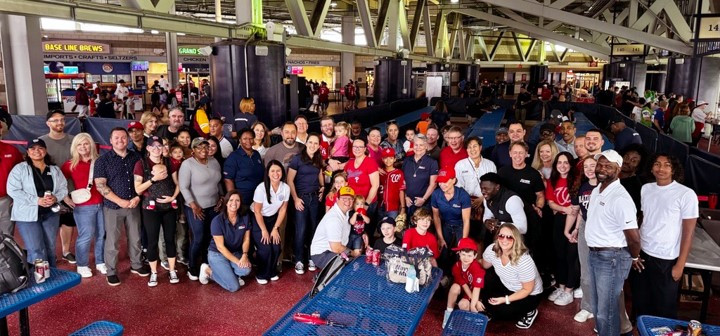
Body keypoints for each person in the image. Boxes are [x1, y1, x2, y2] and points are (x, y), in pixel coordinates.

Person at [632, 154, 698, 319]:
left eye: (667, 165)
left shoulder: (686, 194)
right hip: (643, 255)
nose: (661, 168)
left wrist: (680, 265)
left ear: (674, 169)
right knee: (641, 303)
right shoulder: (646, 188)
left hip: (667, 260)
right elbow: (643, 220)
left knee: (663, 309)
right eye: (657, 164)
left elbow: (688, 233)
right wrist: (635, 253)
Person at [585, 150, 641, 336]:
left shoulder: (620, 198)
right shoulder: (596, 190)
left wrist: (634, 256)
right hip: (595, 254)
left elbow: (633, 237)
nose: (601, 169)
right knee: (599, 308)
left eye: (608, 166)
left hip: (611, 258)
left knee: (606, 312)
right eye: (599, 165)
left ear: (618, 170)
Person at [94, 128, 150, 286]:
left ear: (128, 139)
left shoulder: (137, 157)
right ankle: (111, 271)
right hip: (113, 206)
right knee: (112, 240)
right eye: (116, 138)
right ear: (110, 140)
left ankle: (137, 264)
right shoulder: (102, 161)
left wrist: (138, 197)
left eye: (124, 137)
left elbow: (144, 179)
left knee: (136, 237)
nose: (120, 140)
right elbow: (100, 186)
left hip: (134, 204)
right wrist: (120, 201)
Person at [7, 138, 68, 268]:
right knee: (36, 249)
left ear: (45, 151)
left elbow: (63, 188)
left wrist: (55, 198)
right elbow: (13, 190)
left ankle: (51, 274)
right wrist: (37, 200)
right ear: (28, 152)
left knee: (50, 247)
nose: (37, 151)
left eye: (40, 148)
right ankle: (39, 281)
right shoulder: (19, 169)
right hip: (27, 216)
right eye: (32, 148)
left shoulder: (54, 169)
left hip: (50, 214)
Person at [133, 136, 181, 287]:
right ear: (147, 148)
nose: (156, 149)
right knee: (152, 240)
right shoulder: (141, 164)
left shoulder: (170, 162)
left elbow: (178, 183)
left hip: (168, 207)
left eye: (159, 146)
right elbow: (138, 189)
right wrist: (153, 179)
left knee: (170, 239)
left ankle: (172, 270)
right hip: (150, 208)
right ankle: (154, 272)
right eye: (153, 146)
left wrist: (172, 197)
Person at [481, 223, 543, 329]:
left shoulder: (523, 260)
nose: (504, 240)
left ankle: (530, 311)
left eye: (509, 237)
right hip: (508, 285)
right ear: (497, 237)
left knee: (503, 313)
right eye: (501, 236)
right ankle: (494, 307)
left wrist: (505, 299)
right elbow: (484, 265)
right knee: (485, 277)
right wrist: (468, 260)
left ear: (516, 240)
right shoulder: (492, 249)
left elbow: (527, 289)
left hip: (529, 294)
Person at [61, 133, 106, 277]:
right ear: (75, 147)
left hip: (103, 204)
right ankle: (82, 265)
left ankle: (100, 261)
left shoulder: (100, 161)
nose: (83, 147)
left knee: (101, 235)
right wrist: (65, 197)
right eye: (79, 144)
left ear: (91, 144)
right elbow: (58, 182)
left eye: (85, 143)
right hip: (83, 206)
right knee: (86, 235)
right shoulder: (70, 165)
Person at [180, 138, 223, 280]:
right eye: (199, 148)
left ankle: (206, 264)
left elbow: (218, 182)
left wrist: (221, 197)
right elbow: (183, 187)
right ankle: (192, 267)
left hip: (213, 206)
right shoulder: (188, 164)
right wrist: (193, 205)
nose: (203, 150)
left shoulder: (214, 162)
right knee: (198, 238)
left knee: (211, 237)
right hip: (196, 208)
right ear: (193, 150)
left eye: (205, 146)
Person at [40, 110, 76, 264]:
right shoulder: (41, 142)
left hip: (70, 189)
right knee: (49, 222)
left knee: (68, 221)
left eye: (62, 120)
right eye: (55, 120)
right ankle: (49, 253)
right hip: (48, 191)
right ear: (48, 123)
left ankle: (66, 251)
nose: (60, 123)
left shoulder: (73, 140)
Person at [198, 191, 252, 292]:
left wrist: (244, 255)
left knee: (246, 270)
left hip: (235, 252)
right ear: (226, 203)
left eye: (237, 200)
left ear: (240, 203)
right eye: (231, 200)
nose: (234, 203)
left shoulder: (245, 217)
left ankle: (229, 274)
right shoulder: (217, 221)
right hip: (217, 254)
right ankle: (207, 270)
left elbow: (246, 239)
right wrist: (238, 262)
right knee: (234, 287)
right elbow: (221, 248)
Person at [565, 156, 597, 323]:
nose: (590, 169)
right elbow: (576, 210)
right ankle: (587, 306)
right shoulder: (582, 187)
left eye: (593, 165)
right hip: (585, 227)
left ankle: (602, 307)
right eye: (586, 166)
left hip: (602, 230)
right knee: (585, 270)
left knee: (601, 271)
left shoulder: (606, 187)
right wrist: (572, 229)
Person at [287, 133, 324, 274]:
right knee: (301, 230)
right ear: (306, 143)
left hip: (314, 199)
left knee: (313, 229)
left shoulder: (318, 159)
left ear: (318, 146)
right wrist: (295, 198)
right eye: (311, 142)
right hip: (301, 198)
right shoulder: (297, 159)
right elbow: (290, 180)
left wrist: (322, 187)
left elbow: (320, 174)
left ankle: (311, 257)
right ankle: (299, 260)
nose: (313, 145)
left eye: (316, 143)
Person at [545, 152, 578, 306]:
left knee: (571, 256)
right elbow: (551, 202)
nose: (562, 166)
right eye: (559, 162)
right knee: (559, 255)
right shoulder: (552, 180)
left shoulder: (576, 180)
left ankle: (569, 290)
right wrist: (564, 209)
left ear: (570, 165)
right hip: (559, 219)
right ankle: (561, 285)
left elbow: (577, 206)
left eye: (566, 162)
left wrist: (569, 211)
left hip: (574, 220)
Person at [252, 160, 290, 284]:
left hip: (273, 220)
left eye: (278, 170)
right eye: (272, 171)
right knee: (265, 248)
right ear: (268, 173)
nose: (276, 173)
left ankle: (272, 271)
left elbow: (283, 209)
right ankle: (262, 274)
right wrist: (264, 230)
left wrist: (275, 228)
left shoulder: (285, 188)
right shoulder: (261, 188)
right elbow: (257, 211)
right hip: (258, 219)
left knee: (276, 246)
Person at [443, 237, 486, 328]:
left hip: (472, 292)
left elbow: (476, 288)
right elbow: (463, 284)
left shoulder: (477, 268)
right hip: (462, 290)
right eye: (463, 254)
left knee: (463, 305)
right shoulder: (456, 266)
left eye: (469, 255)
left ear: (475, 256)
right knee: (455, 287)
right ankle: (448, 315)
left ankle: (470, 319)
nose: (466, 258)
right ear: (459, 254)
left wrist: (475, 303)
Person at [310, 186, 355, 270]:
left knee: (353, 264)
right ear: (337, 199)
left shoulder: (346, 212)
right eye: (344, 198)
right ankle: (323, 279)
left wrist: (364, 234)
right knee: (349, 266)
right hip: (322, 254)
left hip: (334, 250)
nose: (348, 202)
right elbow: (336, 248)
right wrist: (353, 253)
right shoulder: (334, 218)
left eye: (350, 199)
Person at [344, 138, 380, 235]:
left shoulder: (370, 162)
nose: (357, 149)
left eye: (360, 147)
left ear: (365, 149)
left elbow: (375, 185)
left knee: (366, 232)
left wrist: (366, 204)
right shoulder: (350, 163)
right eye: (355, 146)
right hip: (353, 203)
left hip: (367, 203)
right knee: (353, 232)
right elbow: (344, 182)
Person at [432, 168, 471, 254]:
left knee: (461, 252)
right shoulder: (436, 194)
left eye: (445, 181)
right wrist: (440, 238)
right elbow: (436, 217)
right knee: (443, 251)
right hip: (445, 224)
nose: (442, 185)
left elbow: (466, 220)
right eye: (440, 182)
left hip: (460, 225)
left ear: (453, 180)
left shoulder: (463, 195)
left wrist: (463, 242)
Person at [480, 172, 527, 240]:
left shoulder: (512, 200)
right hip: (505, 236)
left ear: (497, 187)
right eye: (481, 188)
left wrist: (499, 224)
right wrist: (487, 222)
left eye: (486, 188)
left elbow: (523, 228)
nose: (483, 191)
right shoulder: (487, 197)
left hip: (526, 237)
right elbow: (487, 216)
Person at [224, 128, 265, 205]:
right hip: (243, 198)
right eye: (245, 139)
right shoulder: (233, 157)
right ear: (240, 140)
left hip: (259, 196)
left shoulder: (256, 154)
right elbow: (228, 180)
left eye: (251, 138)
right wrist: (233, 199)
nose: (248, 141)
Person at [402, 134, 438, 216]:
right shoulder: (407, 160)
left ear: (426, 146)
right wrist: (405, 197)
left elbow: (433, 184)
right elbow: (402, 182)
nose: (418, 147)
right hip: (408, 202)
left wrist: (424, 199)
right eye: (416, 145)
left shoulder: (432, 162)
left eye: (421, 145)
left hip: (424, 202)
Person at [0, 126, 23, 236]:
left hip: (6, 200)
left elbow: (21, 175)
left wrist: (17, 196)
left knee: (7, 235)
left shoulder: (12, 151)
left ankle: (5, 254)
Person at [619, 143, 649, 212]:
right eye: (626, 157)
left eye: (633, 161)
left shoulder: (636, 188)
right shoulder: (610, 177)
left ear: (639, 166)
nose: (627, 162)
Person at [378, 148, 406, 220]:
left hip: (393, 207)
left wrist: (403, 207)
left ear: (394, 159)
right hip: (380, 205)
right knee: (380, 227)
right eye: (385, 158)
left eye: (391, 158)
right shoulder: (379, 172)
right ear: (382, 159)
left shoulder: (399, 173)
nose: (388, 160)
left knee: (391, 227)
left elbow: (401, 190)